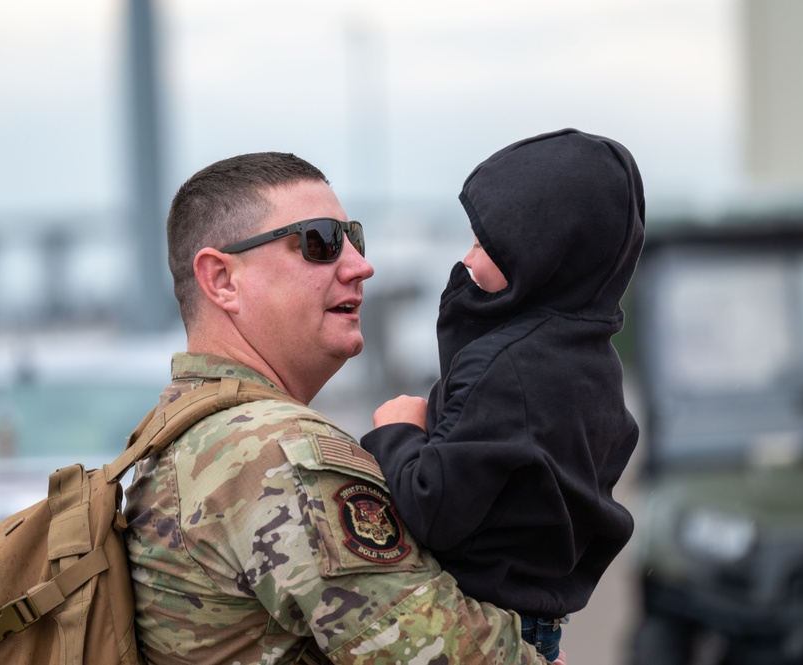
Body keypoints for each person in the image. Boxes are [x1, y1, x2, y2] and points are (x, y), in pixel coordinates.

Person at [123, 151, 559, 664]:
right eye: (320, 242)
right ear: (221, 280)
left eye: (354, 238)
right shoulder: (275, 452)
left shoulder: (178, 431)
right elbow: (447, 655)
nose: (360, 266)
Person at [361, 128, 646, 662]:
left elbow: (433, 507)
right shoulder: (592, 361)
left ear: (542, 254)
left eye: (483, 244)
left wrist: (397, 431)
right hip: (537, 625)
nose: (466, 260)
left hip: (476, 625)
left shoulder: (507, 369)